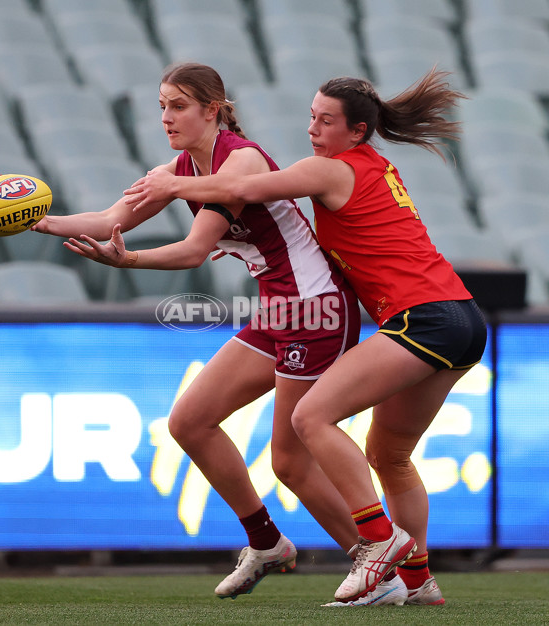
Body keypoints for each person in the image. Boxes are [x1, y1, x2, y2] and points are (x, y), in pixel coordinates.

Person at [125, 67, 488, 607]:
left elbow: (244, 187)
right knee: (389, 456)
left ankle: (377, 543)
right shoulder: (369, 165)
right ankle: (419, 581)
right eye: (311, 118)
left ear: (357, 132)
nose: (313, 130)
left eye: (326, 121)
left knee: (310, 417)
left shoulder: (331, 169)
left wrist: (173, 183)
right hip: (462, 319)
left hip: (424, 318)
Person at [31, 62, 367, 600]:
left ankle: (379, 566)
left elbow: (193, 251)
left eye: (178, 105)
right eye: (162, 105)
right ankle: (267, 543)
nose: (166, 117)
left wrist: (128, 262)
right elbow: (107, 219)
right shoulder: (183, 166)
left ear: (212, 109)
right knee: (189, 421)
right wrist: (34, 219)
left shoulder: (240, 159)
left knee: (289, 458)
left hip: (316, 306)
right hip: (280, 309)